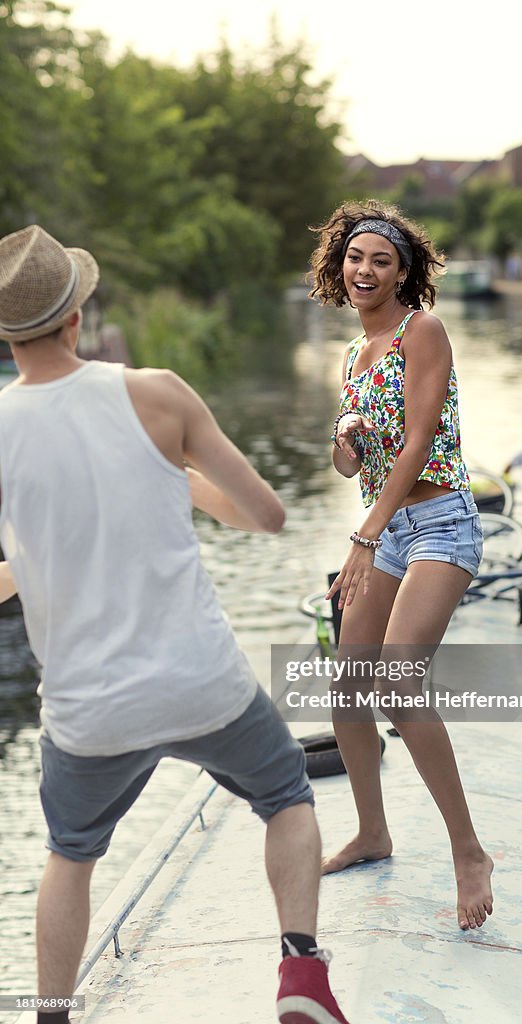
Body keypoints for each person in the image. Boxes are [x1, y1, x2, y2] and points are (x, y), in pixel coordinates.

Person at [0, 225, 350, 1024]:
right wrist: (185, 482)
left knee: (70, 857)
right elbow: (267, 515)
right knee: (286, 795)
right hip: (203, 686)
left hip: (88, 712)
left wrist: (33, 565)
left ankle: (51, 1014)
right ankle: (300, 973)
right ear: (77, 316)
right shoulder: (156, 392)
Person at [308, 201, 494, 931]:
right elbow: (347, 460)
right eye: (355, 258)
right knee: (348, 686)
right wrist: (345, 443)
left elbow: (418, 442)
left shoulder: (423, 331)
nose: (365, 270)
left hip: (439, 522)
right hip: (385, 529)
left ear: (403, 272)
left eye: (380, 261)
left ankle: (467, 850)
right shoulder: (352, 355)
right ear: (339, 266)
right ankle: (372, 830)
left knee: (396, 679)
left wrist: (360, 539)